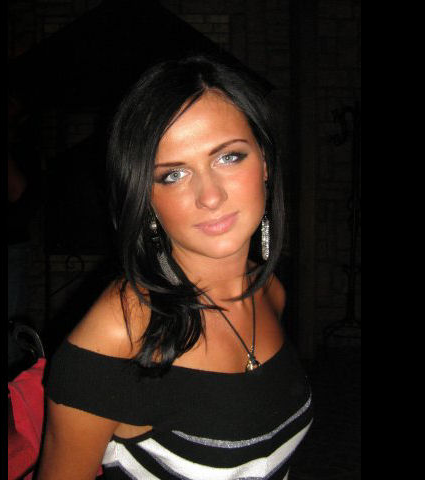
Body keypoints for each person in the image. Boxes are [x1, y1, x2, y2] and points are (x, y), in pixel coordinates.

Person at [36, 54, 313, 480]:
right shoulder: (118, 335)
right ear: (146, 199)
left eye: (229, 157)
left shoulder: (269, 290)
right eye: (173, 175)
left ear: (264, 162)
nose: (210, 196)